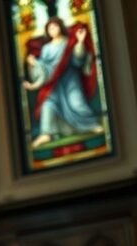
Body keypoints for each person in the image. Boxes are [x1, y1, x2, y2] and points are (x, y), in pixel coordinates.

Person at [23, 17, 103, 149]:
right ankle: (46, 134)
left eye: (54, 26)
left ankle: (91, 125)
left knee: (77, 103)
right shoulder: (46, 49)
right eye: (49, 28)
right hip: (53, 86)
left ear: (60, 27)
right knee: (47, 106)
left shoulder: (68, 43)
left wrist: (80, 42)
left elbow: (77, 61)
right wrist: (35, 64)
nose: (52, 30)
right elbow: (45, 69)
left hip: (70, 80)